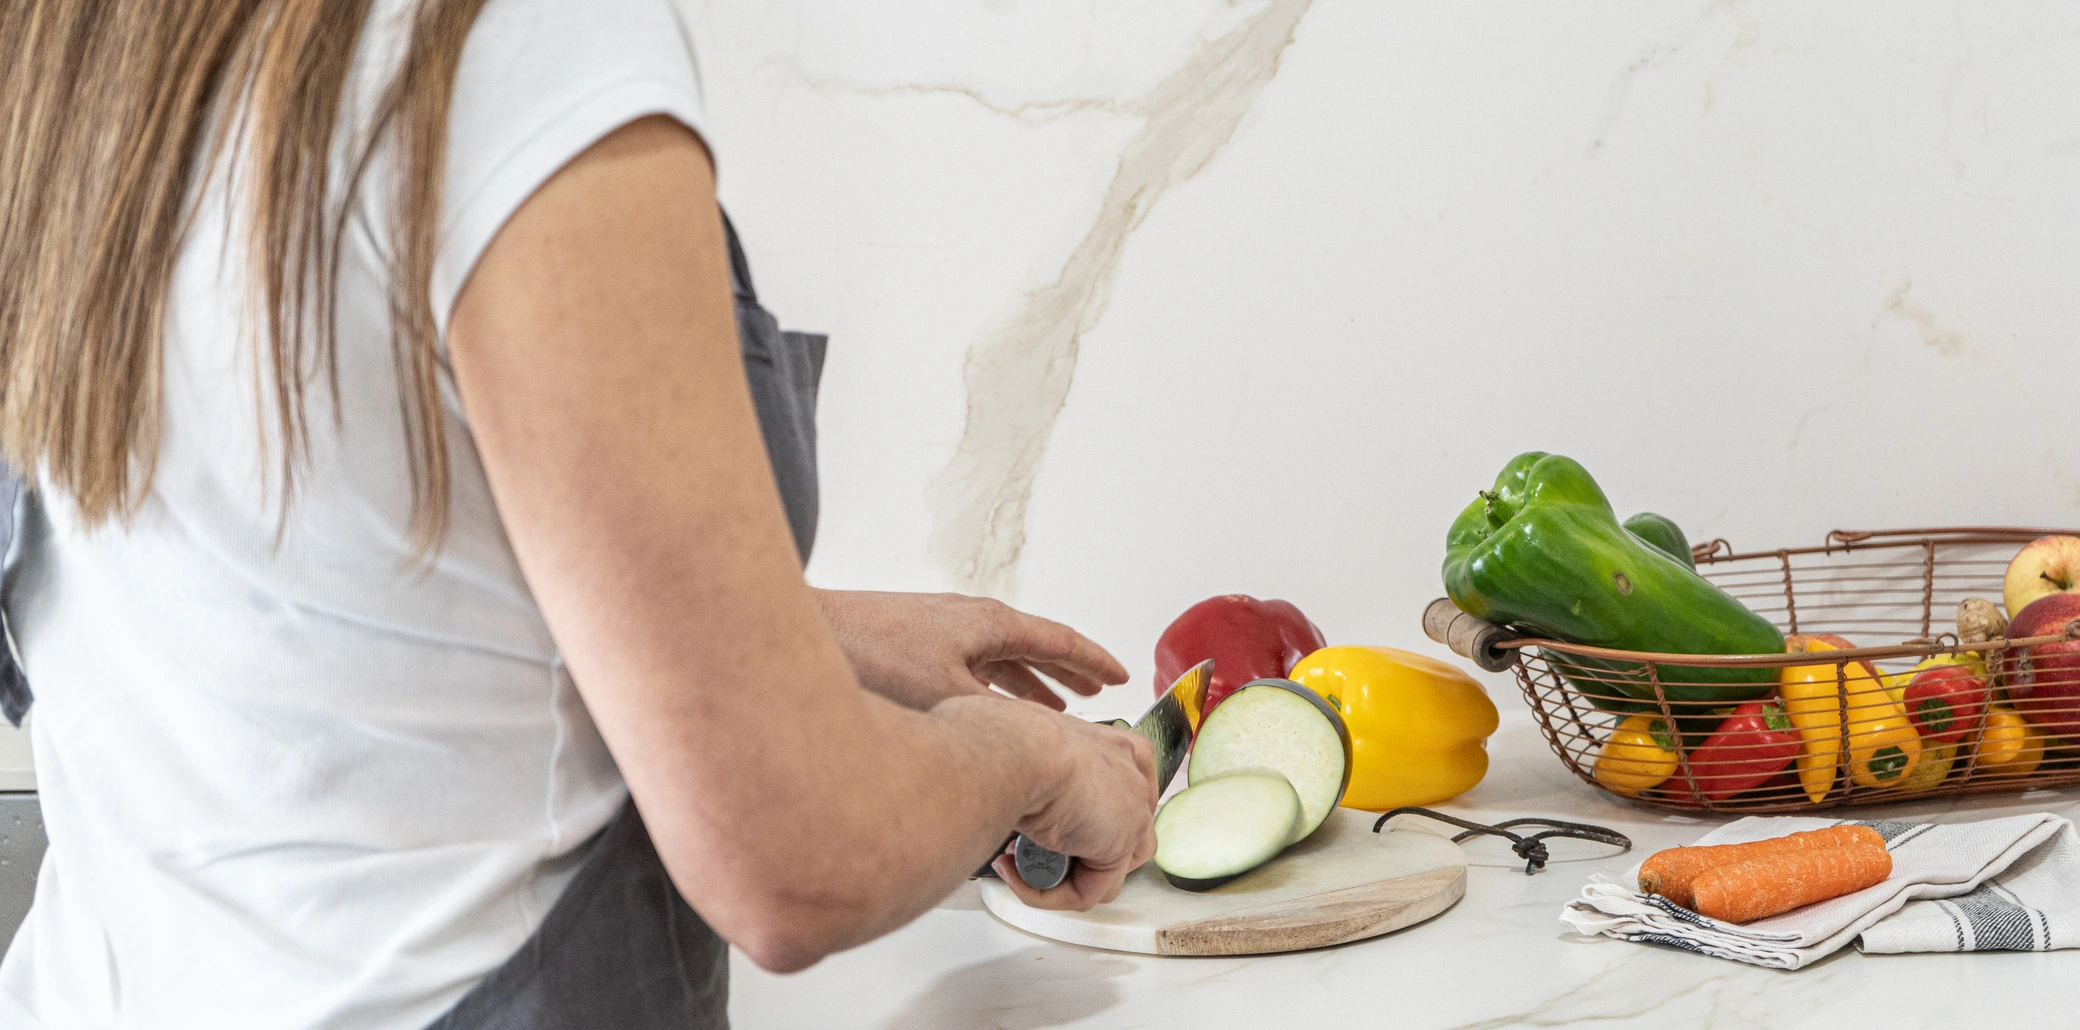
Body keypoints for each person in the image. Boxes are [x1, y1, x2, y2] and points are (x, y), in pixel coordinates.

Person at [0, 0, 1160, 1026]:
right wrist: (1028, 761)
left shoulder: (80, 46)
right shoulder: (512, 40)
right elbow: (790, 855)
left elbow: (248, 570)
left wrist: (801, 638)